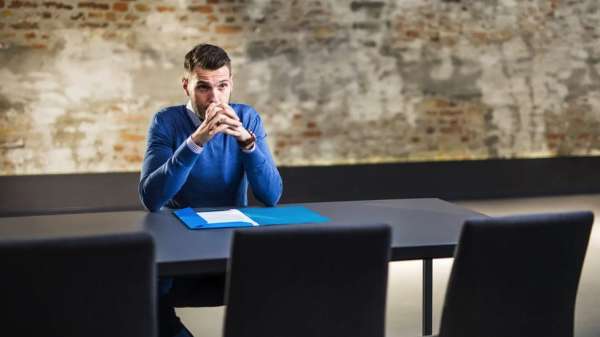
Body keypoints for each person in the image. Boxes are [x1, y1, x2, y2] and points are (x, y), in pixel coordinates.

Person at [139, 43, 283, 337]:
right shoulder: (166, 121)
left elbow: (272, 195)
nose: (214, 97)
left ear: (231, 84)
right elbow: (152, 199)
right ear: (186, 86)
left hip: (230, 241)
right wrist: (196, 141)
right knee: (141, 292)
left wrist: (247, 142)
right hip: (178, 244)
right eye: (203, 87)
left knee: (284, 281)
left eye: (222, 86)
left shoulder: (248, 117)